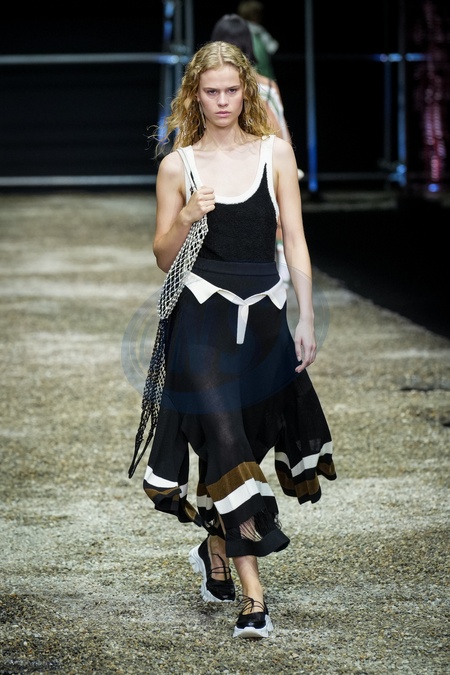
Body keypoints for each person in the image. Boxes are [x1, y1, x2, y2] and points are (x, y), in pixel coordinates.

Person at [129, 40, 336, 640]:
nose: (222, 101)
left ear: (246, 91)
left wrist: (306, 316)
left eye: (231, 90)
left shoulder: (275, 154)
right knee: (224, 437)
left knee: (248, 435)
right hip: (201, 319)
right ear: (195, 96)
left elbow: (294, 239)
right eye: (210, 91)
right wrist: (186, 217)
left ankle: (215, 546)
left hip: (265, 317)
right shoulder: (179, 166)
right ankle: (254, 597)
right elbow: (162, 256)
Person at [210, 12, 302, 285]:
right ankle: (281, 266)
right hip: (260, 163)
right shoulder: (266, 87)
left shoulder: (206, 87)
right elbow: (281, 132)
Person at [237, 0, 278, 80]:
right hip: (255, 72)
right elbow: (272, 47)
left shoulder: (239, 30)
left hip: (257, 73)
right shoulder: (259, 31)